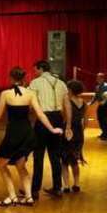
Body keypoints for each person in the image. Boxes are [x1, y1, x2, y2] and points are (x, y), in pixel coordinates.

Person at [0, 66, 62, 207]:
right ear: (24, 79)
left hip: (13, 133)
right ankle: (28, 197)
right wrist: (52, 129)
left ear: (11, 79)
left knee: (1, 164)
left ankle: (12, 196)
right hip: (27, 133)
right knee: (20, 165)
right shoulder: (30, 94)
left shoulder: (5, 94)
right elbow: (40, 114)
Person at [29, 60, 71, 200]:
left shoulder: (35, 83)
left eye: (35, 69)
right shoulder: (61, 83)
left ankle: (35, 190)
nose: (35, 72)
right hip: (58, 118)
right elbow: (67, 106)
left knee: (38, 155)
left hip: (43, 119)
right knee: (55, 155)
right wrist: (68, 125)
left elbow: (31, 104)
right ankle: (57, 188)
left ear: (41, 68)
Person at [61, 80, 87, 193]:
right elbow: (85, 121)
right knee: (75, 160)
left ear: (70, 90)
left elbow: (68, 115)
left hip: (69, 130)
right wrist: (80, 131)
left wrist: (68, 127)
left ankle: (66, 186)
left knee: (64, 160)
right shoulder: (84, 102)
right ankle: (76, 184)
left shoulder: (67, 99)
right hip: (79, 132)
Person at [93, 72, 107, 140]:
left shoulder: (106, 86)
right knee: (99, 118)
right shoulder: (97, 86)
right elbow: (96, 96)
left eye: (99, 78)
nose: (97, 79)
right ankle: (104, 132)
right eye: (97, 78)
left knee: (104, 119)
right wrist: (91, 102)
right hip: (101, 104)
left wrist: (104, 102)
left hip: (106, 104)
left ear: (103, 78)